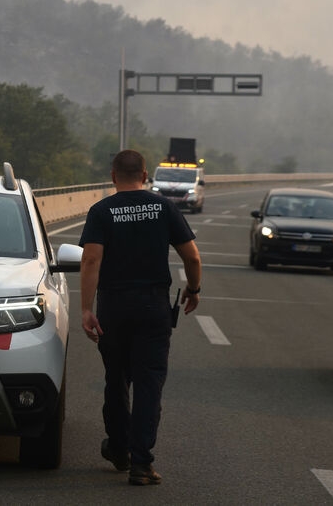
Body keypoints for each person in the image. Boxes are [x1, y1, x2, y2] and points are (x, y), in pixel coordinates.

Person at [79, 149, 201, 486]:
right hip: (152, 307)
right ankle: (142, 464)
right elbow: (192, 257)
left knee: (116, 379)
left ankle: (119, 449)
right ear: (145, 176)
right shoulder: (164, 207)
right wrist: (193, 289)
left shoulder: (101, 211)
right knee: (149, 384)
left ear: (113, 176)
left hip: (114, 307)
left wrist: (86, 308)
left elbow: (90, 260)